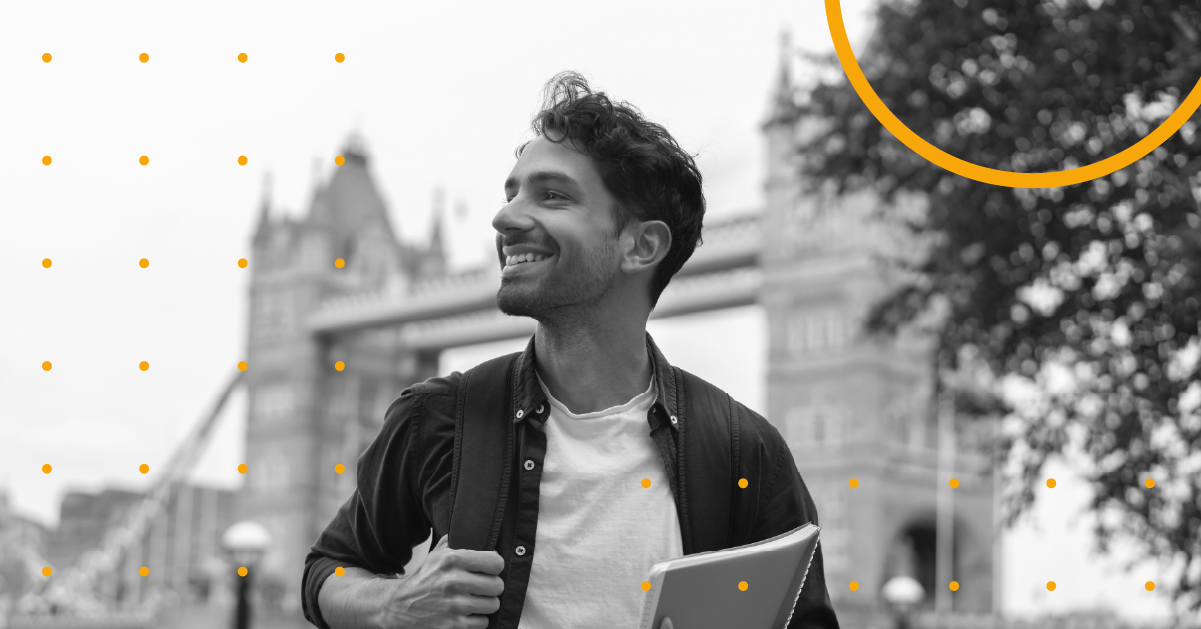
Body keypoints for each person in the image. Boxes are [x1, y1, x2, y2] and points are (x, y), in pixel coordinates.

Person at [300, 71, 840, 629]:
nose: (504, 217)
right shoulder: (438, 419)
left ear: (641, 245)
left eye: (551, 195)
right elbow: (328, 569)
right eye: (511, 193)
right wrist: (392, 605)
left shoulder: (743, 451)